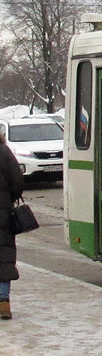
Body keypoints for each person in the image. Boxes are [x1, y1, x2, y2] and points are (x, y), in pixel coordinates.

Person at [0, 127, 25, 320]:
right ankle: (4, 303)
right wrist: (10, 198)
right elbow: (17, 180)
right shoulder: (4, 152)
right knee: (4, 258)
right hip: (2, 216)